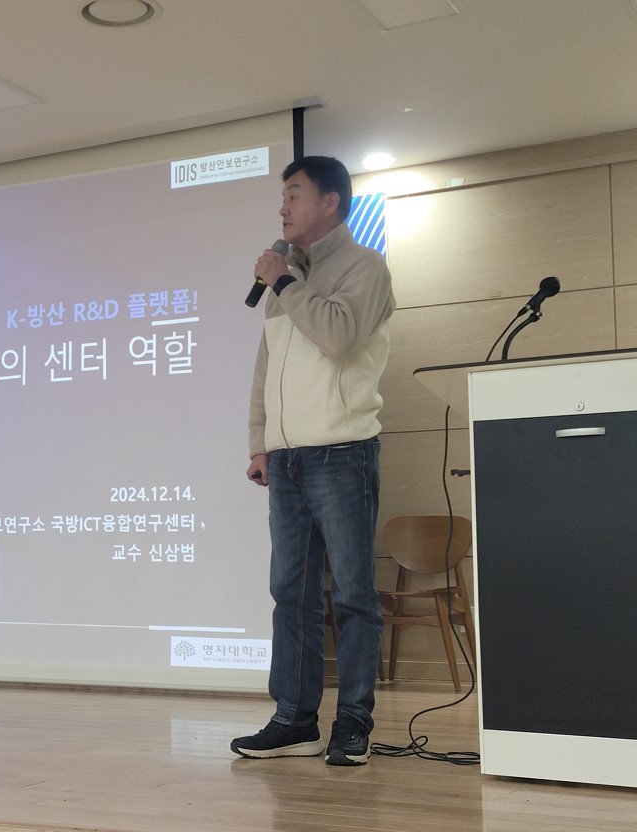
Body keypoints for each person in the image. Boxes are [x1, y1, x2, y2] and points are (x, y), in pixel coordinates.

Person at [231, 156, 395, 765]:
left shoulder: (364, 267)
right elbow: (266, 370)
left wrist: (285, 283)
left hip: (343, 452)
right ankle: (294, 719)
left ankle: (353, 721)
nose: (283, 207)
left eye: (294, 194)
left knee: (352, 595)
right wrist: (260, 442)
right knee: (291, 594)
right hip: (288, 460)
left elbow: (339, 335)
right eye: (282, 197)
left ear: (330, 202)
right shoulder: (288, 280)